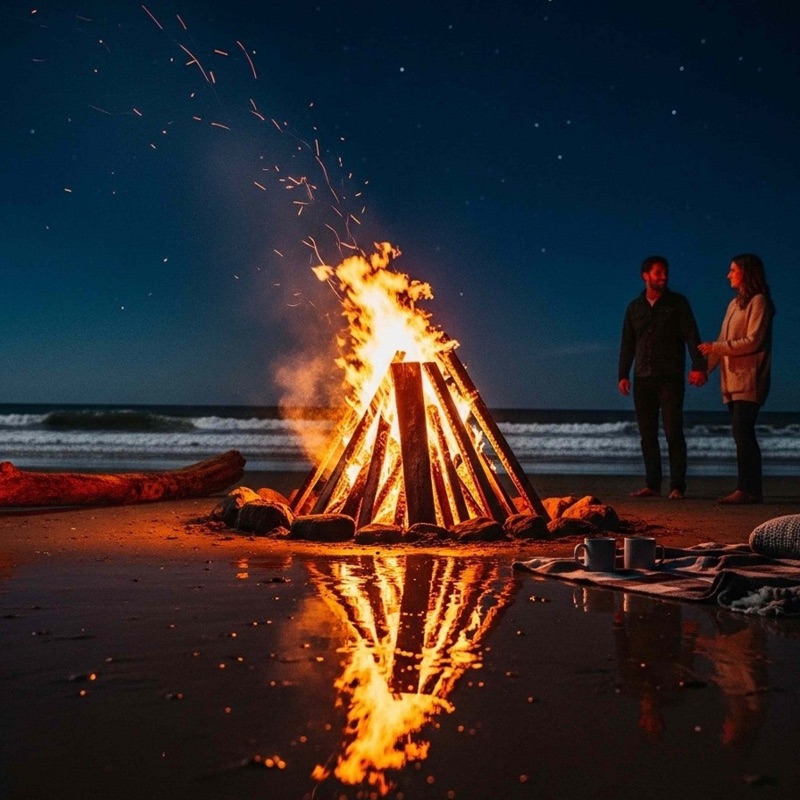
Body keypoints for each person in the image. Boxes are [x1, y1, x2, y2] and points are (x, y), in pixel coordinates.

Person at [618, 256, 707, 499]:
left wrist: (699, 366)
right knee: (647, 434)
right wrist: (623, 374)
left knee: (673, 432)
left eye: (665, 272)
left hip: (670, 377)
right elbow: (628, 343)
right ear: (645, 276)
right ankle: (653, 485)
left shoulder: (678, 303)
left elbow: (691, 336)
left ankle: (677, 486)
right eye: (658, 273)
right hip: (642, 377)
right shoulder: (634, 308)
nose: (664, 277)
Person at [698, 254, 775, 504]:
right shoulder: (734, 304)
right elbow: (721, 340)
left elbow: (754, 341)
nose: (728, 275)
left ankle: (747, 490)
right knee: (741, 434)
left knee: (743, 432)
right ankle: (750, 490)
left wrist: (716, 348)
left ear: (746, 273)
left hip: (750, 380)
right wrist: (704, 370)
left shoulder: (759, 302)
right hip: (731, 382)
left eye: (733, 270)